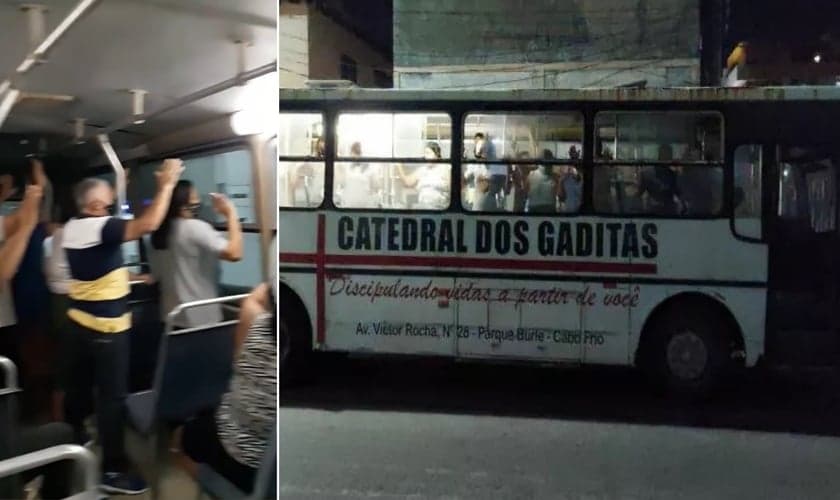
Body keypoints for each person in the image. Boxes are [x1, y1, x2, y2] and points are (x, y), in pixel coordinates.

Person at [62, 159, 184, 495]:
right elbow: (147, 224)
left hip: (80, 324)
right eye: (108, 203)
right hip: (106, 331)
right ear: (96, 206)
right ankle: (111, 470)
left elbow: (97, 270)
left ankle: (76, 440)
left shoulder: (74, 228)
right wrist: (167, 185)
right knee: (113, 399)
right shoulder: (99, 226)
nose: (112, 208)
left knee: (81, 390)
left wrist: (134, 277)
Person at [174, 279, 277, 493]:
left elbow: (252, 300)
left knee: (180, 437)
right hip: (273, 473)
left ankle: (215, 487)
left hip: (242, 461)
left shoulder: (257, 330)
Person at [149, 180, 243, 329]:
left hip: (171, 317)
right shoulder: (195, 228)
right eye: (195, 198)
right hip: (201, 318)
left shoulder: (158, 234)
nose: (199, 201)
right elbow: (234, 253)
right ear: (183, 203)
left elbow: (155, 275)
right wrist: (231, 213)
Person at [396, 142, 450, 210]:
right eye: (425, 153)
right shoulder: (423, 170)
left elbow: (453, 187)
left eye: (428, 153)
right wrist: (399, 166)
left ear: (436, 154)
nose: (426, 156)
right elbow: (408, 182)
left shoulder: (445, 168)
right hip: (423, 208)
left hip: (439, 208)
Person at [335, 142, 381, 208]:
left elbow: (376, 187)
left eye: (357, 153)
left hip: (361, 205)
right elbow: (341, 183)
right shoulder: (346, 167)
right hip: (350, 204)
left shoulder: (370, 169)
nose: (356, 156)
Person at [638, 144, 680, 214]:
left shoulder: (673, 175)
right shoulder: (647, 173)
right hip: (653, 212)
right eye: (665, 155)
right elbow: (639, 193)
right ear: (659, 156)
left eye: (669, 156)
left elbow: (679, 193)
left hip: (670, 212)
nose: (667, 158)